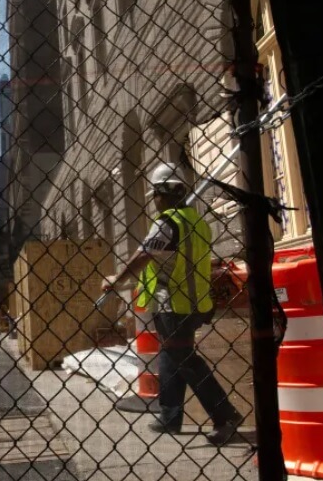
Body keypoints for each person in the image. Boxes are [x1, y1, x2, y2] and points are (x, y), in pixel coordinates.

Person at [102, 162, 242, 445]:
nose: (154, 201)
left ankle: (225, 415)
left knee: (186, 360)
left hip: (174, 306)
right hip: (197, 303)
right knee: (170, 356)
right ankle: (170, 416)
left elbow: (143, 256)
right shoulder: (198, 222)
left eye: (155, 194)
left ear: (162, 194)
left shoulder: (167, 223)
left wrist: (117, 280)